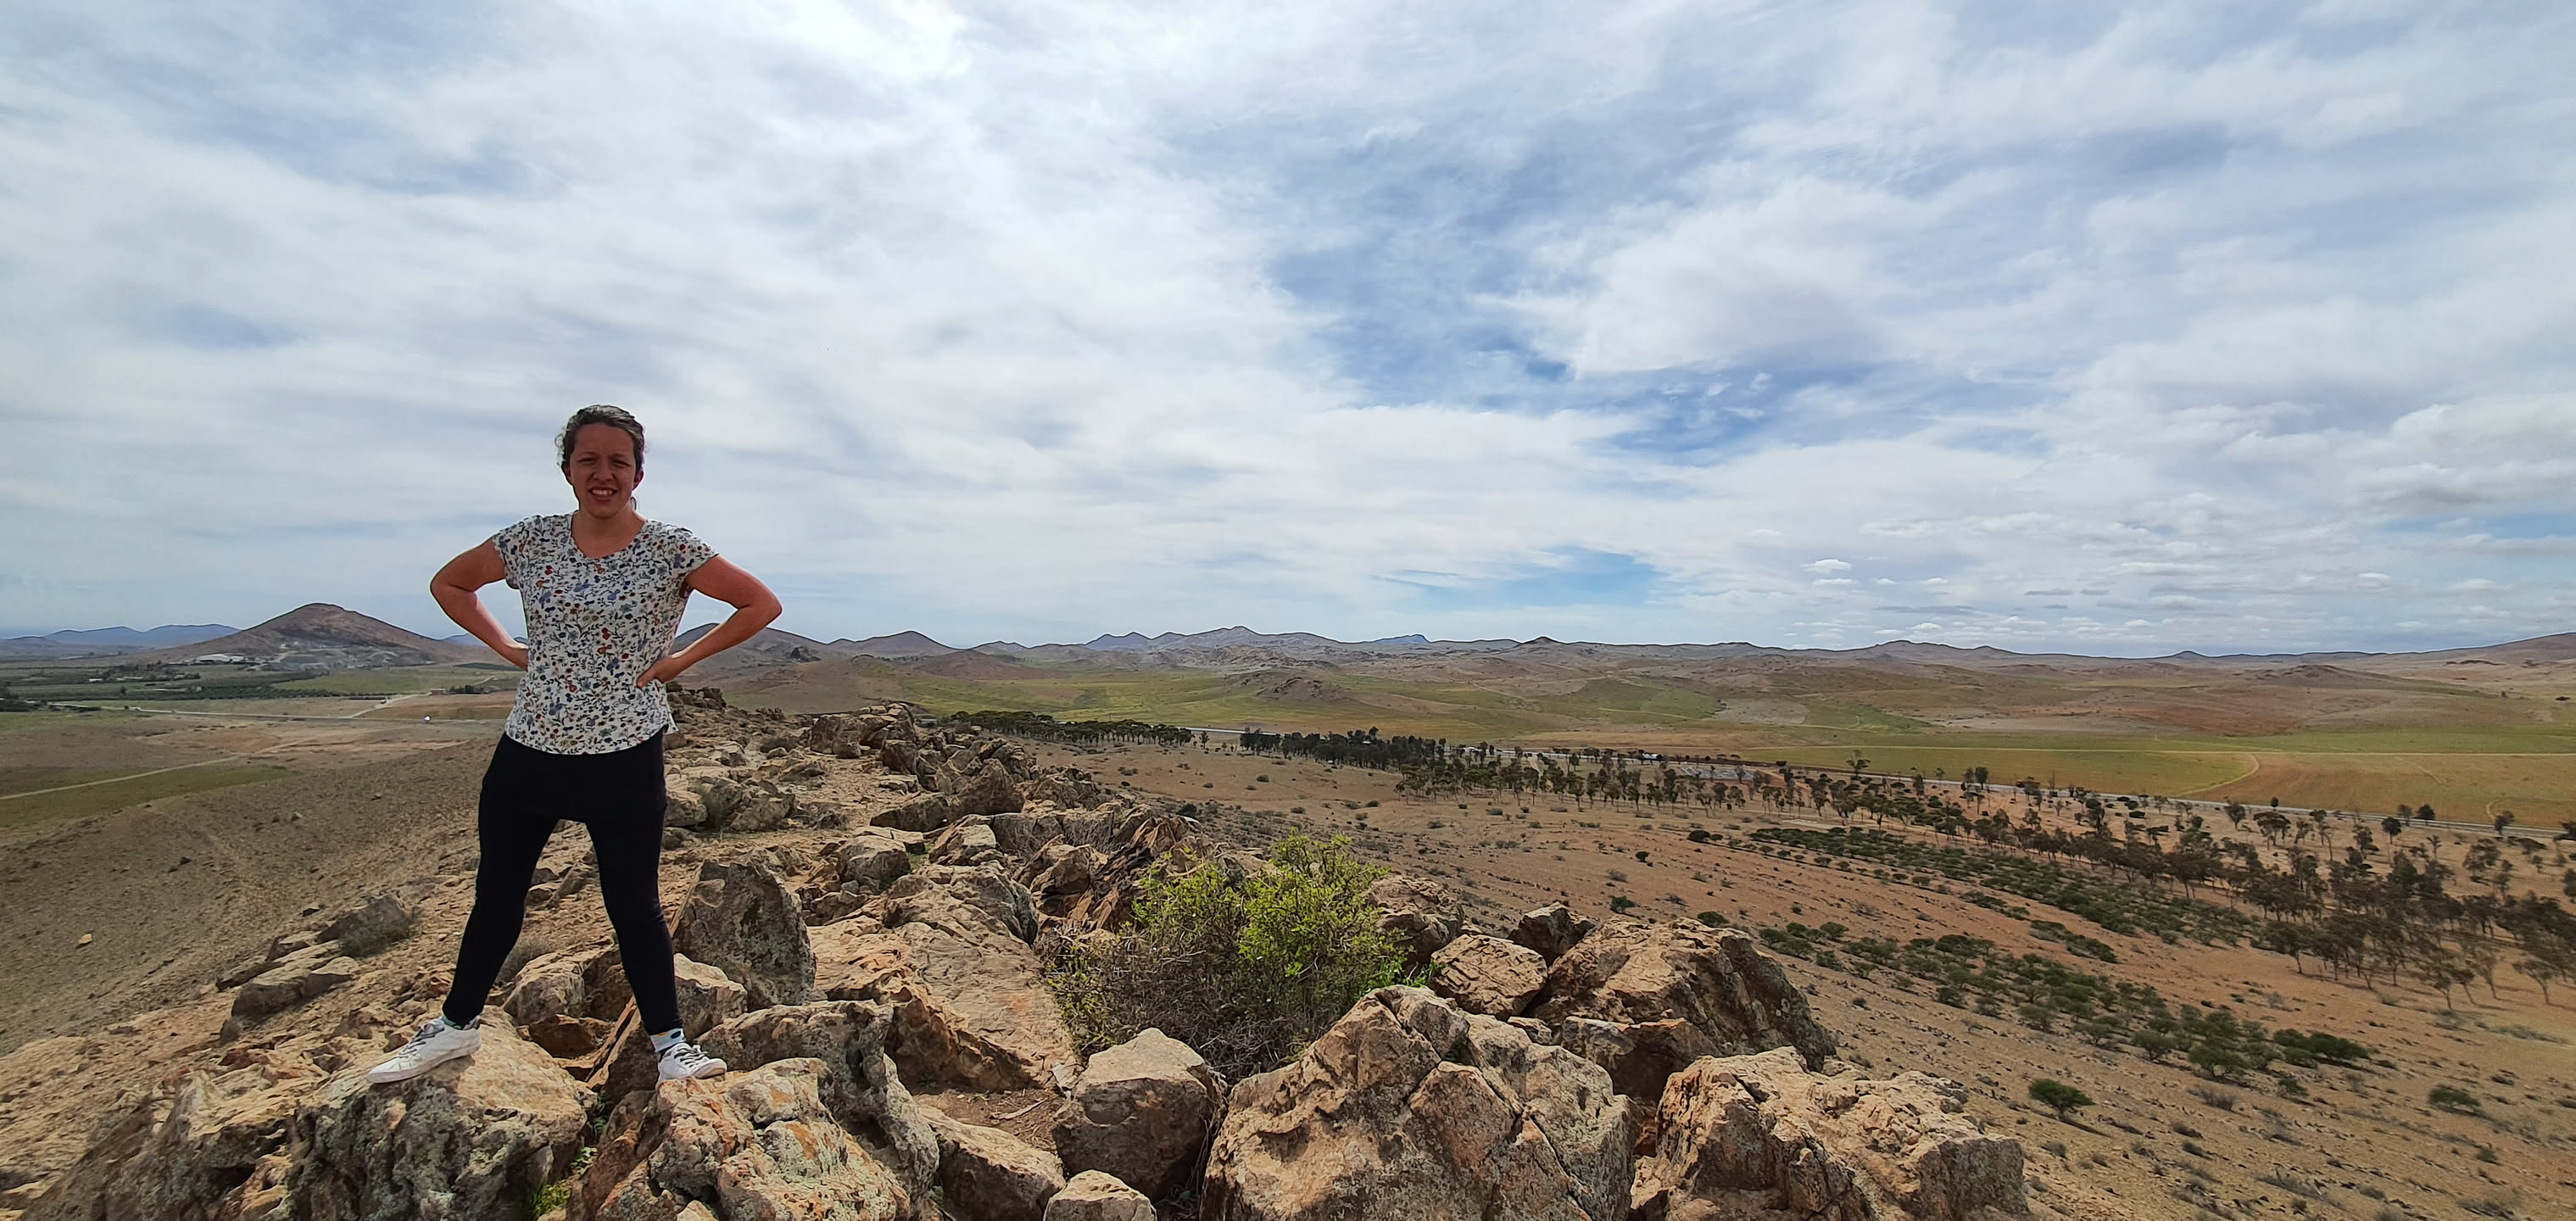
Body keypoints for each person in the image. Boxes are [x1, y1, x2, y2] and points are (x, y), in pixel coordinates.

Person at [368, 405, 781, 1084]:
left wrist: (680, 660)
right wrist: (505, 646)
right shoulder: (531, 541)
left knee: (634, 906)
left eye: (619, 461)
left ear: (638, 474)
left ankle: (671, 1047)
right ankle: (455, 1028)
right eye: (589, 459)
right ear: (567, 469)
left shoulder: (672, 548)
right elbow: (451, 583)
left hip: (625, 750)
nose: (603, 473)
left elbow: (760, 604)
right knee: (498, 896)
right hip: (531, 747)